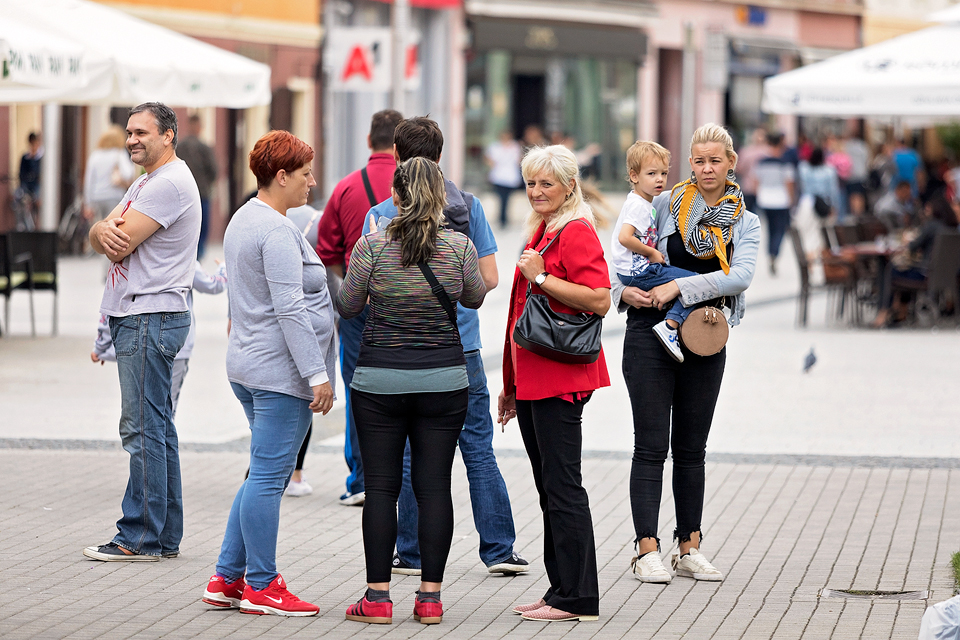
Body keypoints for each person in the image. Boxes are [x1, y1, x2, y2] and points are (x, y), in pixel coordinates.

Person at [363, 117, 527, 578]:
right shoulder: (469, 207)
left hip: (396, 352)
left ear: (395, 154)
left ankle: (411, 552)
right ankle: (500, 549)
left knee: (414, 453)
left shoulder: (380, 214)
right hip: (462, 348)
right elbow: (490, 279)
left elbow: (364, 287)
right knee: (477, 447)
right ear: (440, 155)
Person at [337, 157, 486, 626]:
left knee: (381, 488)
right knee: (434, 486)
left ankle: (378, 600)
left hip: (379, 382)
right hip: (445, 381)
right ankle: (430, 599)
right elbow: (475, 296)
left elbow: (347, 305)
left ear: (396, 196)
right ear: (441, 198)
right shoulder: (459, 248)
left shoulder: (373, 246)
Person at [611, 123, 759, 587]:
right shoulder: (663, 202)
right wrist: (622, 293)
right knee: (650, 445)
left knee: (692, 449)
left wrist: (681, 285)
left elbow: (741, 277)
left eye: (715, 160)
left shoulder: (744, 222)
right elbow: (620, 252)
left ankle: (689, 546)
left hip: (706, 339)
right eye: (698, 160)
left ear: (731, 163)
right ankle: (646, 548)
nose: (706, 168)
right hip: (649, 336)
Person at [201, 130, 336, 616]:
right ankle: (262, 584)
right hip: (278, 372)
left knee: (261, 472)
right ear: (281, 176)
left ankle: (227, 577)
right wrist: (316, 375)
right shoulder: (276, 231)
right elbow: (290, 308)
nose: (311, 182)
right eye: (304, 174)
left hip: (250, 364)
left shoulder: (244, 218)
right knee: (269, 477)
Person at [497, 144, 610, 623]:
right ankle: (560, 588)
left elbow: (600, 299)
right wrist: (510, 385)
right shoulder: (544, 229)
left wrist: (541, 278)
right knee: (550, 489)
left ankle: (578, 596)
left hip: (560, 380)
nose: (537, 191)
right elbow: (519, 319)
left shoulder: (576, 231)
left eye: (547, 183)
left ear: (569, 185)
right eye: (531, 183)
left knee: (563, 487)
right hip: (534, 381)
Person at [83, 103, 201, 562]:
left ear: (168, 135)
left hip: (149, 316)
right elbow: (102, 233)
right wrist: (97, 228)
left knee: (143, 430)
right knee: (157, 427)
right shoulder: (146, 181)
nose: (132, 139)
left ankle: (141, 535)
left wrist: (104, 234)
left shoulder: (167, 183)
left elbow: (118, 243)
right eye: (128, 132)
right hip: (145, 315)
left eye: (142, 132)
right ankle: (163, 536)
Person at [316, 108, 404, 506]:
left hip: (360, 304)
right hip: (408, 304)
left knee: (358, 390)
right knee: (407, 388)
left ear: (369, 141)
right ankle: (400, 477)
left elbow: (327, 250)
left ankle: (362, 480)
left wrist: (352, 282)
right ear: (401, 144)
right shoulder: (423, 186)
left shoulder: (346, 187)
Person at [91, 260, 227, 417]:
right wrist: (224, 268)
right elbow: (212, 285)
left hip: (140, 341)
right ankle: (161, 441)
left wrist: (101, 346)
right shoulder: (185, 257)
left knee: (139, 408)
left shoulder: (131, 258)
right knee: (166, 410)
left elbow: (112, 303)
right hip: (177, 345)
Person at [612, 140, 698, 362]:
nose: (659, 179)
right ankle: (670, 326)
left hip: (632, 270)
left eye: (663, 173)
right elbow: (624, 237)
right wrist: (650, 253)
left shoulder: (640, 202)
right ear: (634, 176)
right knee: (695, 283)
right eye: (651, 173)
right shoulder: (639, 205)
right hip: (639, 271)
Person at [873, 194, 957, 328]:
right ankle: (902, 312)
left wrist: (908, 240)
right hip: (946, 276)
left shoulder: (930, 226)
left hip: (926, 274)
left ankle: (884, 311)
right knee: (904, 272)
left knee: (892, 270)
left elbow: (912, 246)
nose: (925, 210)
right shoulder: (951, 228)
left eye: (928, 208)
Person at [177, 114, 219, 259]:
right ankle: (198, 256)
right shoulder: (205, 148)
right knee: (201, 226)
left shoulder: (179, 147)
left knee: (185, 226)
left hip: (182, 193)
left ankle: (189, 254)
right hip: (202, 193)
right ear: (200, 127)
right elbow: (214, 171)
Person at [754, 132, 795, 275]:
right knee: (779, 230)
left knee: (770, 230)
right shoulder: (784, 163)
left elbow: (756, 181)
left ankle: (770, 253)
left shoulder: (762, 162)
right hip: (781, 200)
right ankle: (774, 253)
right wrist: (792, 199)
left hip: (765, 199)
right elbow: (789, 183)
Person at [84, 125, 137, 224]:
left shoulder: (95, 155)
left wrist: (88, 204)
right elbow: (128, 174)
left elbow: (89, 181)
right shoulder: (119, 153)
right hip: (114, 196)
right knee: (111, 226)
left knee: (97, 227)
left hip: (97, 197)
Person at [484, 130, 523, 227]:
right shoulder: (495, 147)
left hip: (510, 177)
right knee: (501, 198)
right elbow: (488, 159)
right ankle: (502, 218)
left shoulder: (515, 147)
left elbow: (519, 160)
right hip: (499, 177)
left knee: (507, 199)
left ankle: (504, 218)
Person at [736, 128, 768, 215]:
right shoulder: (769, 152)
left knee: (748, 213)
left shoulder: (747, 152)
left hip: (748, 186)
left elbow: (740, 169)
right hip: (765, 188)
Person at [17, 132, 43, 229]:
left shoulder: (41, 158)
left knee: (37, 199)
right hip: (26, 185)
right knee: (18, 198)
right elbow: (21, 174)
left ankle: (36, 225)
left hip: (37, 186)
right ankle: (22, 225)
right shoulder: (25, 157)